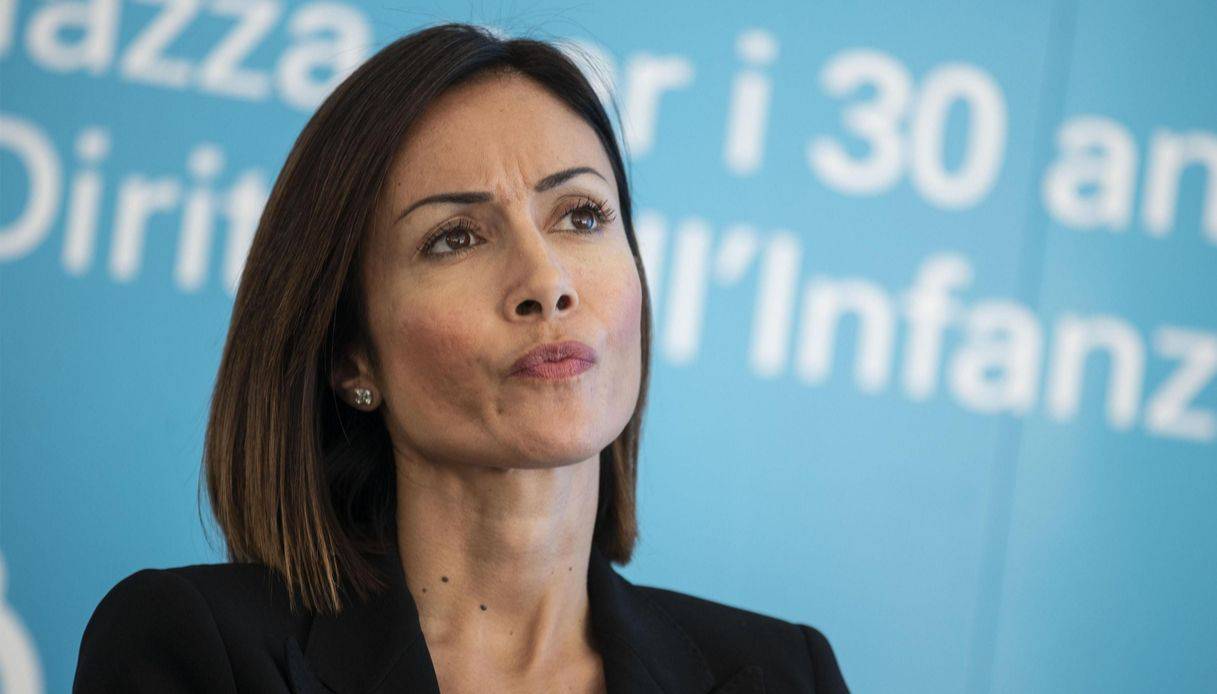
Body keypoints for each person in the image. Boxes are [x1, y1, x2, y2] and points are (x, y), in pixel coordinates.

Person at [72, 22, 849, 694]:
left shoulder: (785, 673)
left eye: (581, 215)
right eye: (455, 238)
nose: (546, 281)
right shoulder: (197, 648)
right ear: (351, 358)